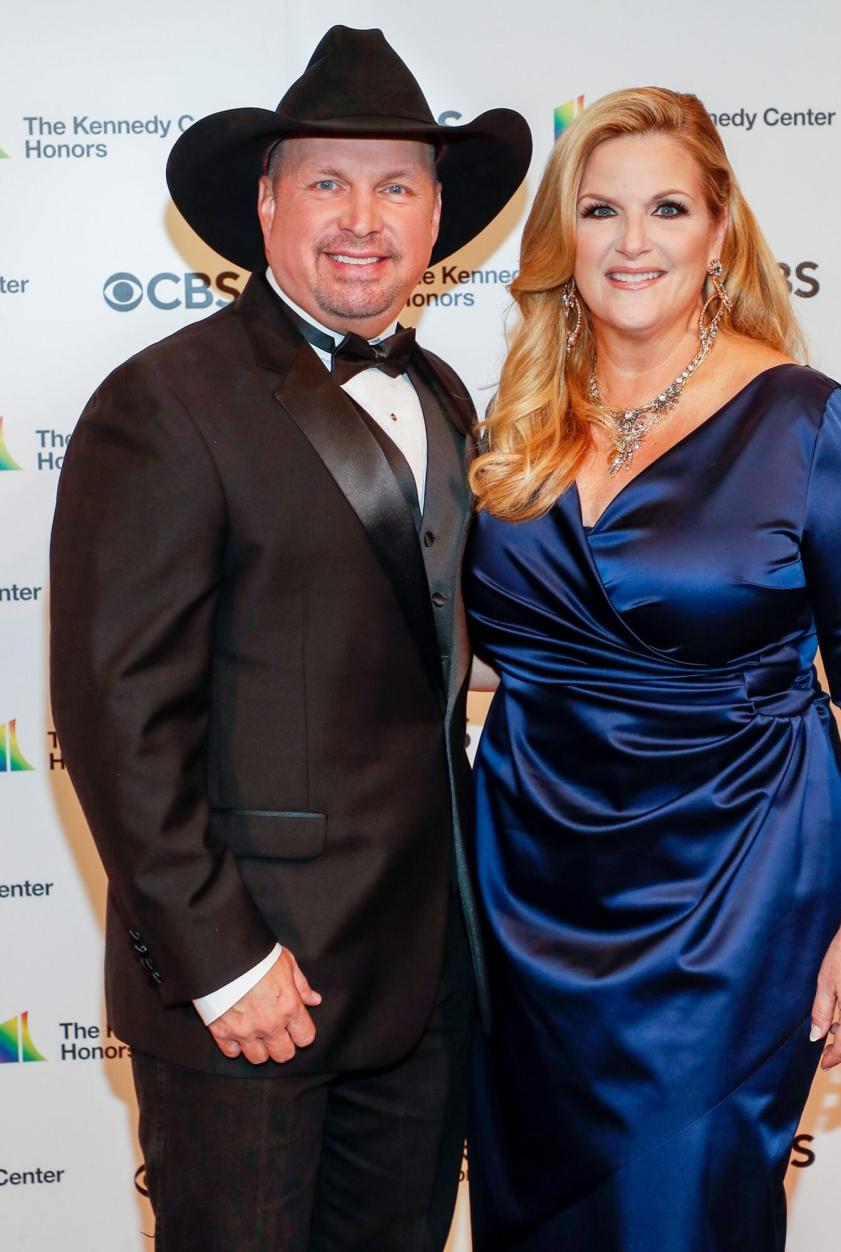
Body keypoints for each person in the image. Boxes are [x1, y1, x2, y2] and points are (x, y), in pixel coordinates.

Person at [49, 25, 529, 1252]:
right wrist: (220, 959)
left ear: (436, 221)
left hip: (427, 982)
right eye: (327, 180)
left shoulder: (446, 396)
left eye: (397, 186)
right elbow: (118, 716)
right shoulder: (162, 403)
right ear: (266, 206)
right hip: (258, 987)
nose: (363, 216)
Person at [464, 87, 841, 1251]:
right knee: (535, 1210)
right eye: (601, 209)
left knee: (682, 1211)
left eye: (667, 208)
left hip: (733, 893)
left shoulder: (814, 428)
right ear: (563, 236)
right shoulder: (515, 419)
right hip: (523, 891)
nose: (632, 241)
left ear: (720, 231)